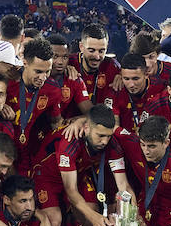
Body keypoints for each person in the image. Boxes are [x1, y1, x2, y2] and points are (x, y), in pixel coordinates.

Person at [30, 105, 135, 226]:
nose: (104, 141)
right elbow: (70, 191)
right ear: (86, 128)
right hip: (47, 177)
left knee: (92, 217)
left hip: (77, 175)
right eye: (100, 136)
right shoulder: (69, 142)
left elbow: (123, 186)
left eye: (108, 136)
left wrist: (133, 215)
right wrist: (95, 217)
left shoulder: (113, 145)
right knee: (55, 220)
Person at [7, 38, 65, 173]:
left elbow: (56, 123)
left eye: (47, 71)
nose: (43, 77)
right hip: (2, 148)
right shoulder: (8, 80)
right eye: (38, 71)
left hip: (28, 152)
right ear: (25, 63)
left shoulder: (52, 90)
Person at [108, 52, 166, 134]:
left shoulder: (161, 88)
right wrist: (132, 139)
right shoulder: (116, 90)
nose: (131, 84)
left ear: (146, 74)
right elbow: (113, 127)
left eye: (135, 79)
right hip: (125, 142)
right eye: (126, 79)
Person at [70, 24, 121, 107]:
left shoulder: (113, 67)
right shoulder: (69, 63)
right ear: (81, 47)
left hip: (100, 118)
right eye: (91, 51)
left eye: (101, 51)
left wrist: (122, 76)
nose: (97, 57)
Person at [46, 34, 92, 119]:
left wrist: (80, 120)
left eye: (65, 57)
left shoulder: (74, 79)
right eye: (55, 56)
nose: (60, 62)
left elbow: (91, 113)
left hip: (62, 128)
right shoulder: (36, 79)